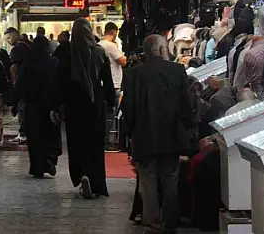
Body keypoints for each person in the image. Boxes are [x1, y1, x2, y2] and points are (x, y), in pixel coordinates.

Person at [122, 34, 193, 234]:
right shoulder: (177, 71)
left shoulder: (134, 74)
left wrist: (129, 132)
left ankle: (152, 223)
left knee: (148, 182)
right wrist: (188, 129)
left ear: (145, 51)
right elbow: (186, 105)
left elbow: (128, 108)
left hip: (144, 138)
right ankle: (169, 224)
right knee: (170, 181)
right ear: (163, 49)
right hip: (171, 137)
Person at [52, 18, 116, 199]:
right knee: (94, 143)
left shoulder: (66, 53)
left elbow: (59, 83)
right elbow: (108, 81)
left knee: (76, 142)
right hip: (95, 103)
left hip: (73, 104)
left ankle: (81, 176)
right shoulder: (99, 52)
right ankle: (94, 179)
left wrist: (56, 106)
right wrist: (111, 102)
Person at [16, 36, 61, 177]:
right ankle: (50, 158)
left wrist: (15, 102)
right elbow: (59, 83)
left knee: (35, 136)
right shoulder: (53, 62)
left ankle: (37, 166)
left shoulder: (28, 63)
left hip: (32, 104)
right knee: (51, 134)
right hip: (50, 104)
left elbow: (20, 83)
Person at [5, 27, 30, 144]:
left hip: (22, 82)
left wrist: (14, 83)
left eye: (9, 38)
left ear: (15, 35)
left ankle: (23, 134)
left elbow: (14, 68)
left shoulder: (17, 49)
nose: (8, 41)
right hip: (31, 82)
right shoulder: (28, 45)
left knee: (22, 107)